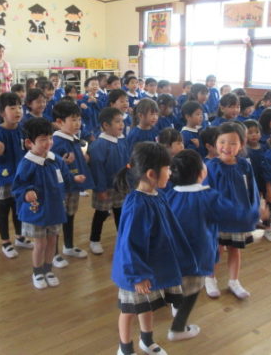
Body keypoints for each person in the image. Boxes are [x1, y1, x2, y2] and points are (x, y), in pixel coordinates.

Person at [111, 142, 198, 355]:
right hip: (135, 272)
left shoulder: (158, 195)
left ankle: (147, 341)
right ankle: (125, 349)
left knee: (147, 306)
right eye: (167, 168)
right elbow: (129, 244)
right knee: (129, 311)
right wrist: (138, 275)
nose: (170, 173)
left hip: (152, 268)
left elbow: (169, 226)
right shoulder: (137, 205)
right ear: (151, 173)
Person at [166, 149, 241, 341]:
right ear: (201, 173)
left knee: (178, 285)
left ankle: (175, 307)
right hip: (197, 258)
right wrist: (257, 214)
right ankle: (178, 329)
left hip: (173, 256)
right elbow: (234, 214)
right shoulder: (208, 197)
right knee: (192, 290)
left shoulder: (168, 195)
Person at [12, 117, 85, 289]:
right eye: (43, 140)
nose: (49, 143)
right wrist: (26, 193)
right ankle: (37, 271)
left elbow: (65, 177)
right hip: (37, 211)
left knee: (52, 241)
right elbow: (18, 187)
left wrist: (74, 179)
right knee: (40, 243)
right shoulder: (27, 164)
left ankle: (48, 268)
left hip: (55, 208)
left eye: (50, 138)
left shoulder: (56, 160)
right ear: (29, 143)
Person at [205, 122, 262, 299]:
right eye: (222, 142)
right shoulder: (211, 166)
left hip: (239, 218)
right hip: (219, 218)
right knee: (217, 249)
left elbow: (252, 189)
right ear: (215, 143)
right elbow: (207, 193)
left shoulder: (244, 165)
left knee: (234, 250)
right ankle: (210, 278)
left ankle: (234, 281)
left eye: (232, 143)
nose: (226, 147)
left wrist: (255, 210)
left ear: (241, 145)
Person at [0, 92, 33, 259]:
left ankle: (20, 237)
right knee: (3, 210)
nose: (18, 111)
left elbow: (26, 152)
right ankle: (5, 242)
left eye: (20, 107)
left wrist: (29, 148)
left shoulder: (22, 129)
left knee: (18, 208)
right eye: (12, 108)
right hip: (2, 179)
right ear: (2, 112)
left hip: (19, 177)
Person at [51, 100, 94, 266]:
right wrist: (63, 162)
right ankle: (53, 253)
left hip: (74, 186)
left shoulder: (73, 138)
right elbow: (51, 164)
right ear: (59, 122)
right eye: (73, 120)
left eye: (79, 119)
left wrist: (84, 159)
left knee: (70, 215)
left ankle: (68, 246)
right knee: (57, 219)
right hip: (61, 188)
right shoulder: (57, 141)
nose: (78, 123)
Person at [88, 107, 129, 254]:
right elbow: (97, 169)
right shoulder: (99, 145)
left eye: (122, 121)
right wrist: (100, 189)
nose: (121, 124)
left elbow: (127, 162)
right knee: (101, 213)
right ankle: (94, 240)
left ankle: (122, 238)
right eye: (117, 121)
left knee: (120, 212)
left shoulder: (122, 140)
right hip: (105, 187)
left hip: (120, 186)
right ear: (106, 125)